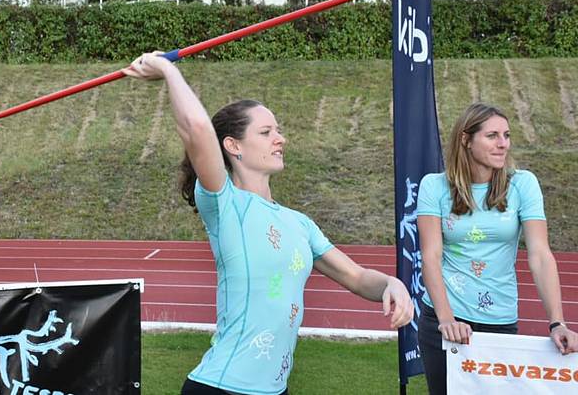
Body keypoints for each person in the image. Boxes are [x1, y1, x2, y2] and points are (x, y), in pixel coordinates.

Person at [123, 51, 413, 395]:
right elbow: (197, 129)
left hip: (275, 390)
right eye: (266, 131)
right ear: (233, 146)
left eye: (278, 130)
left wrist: (391, 284)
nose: (281, 138)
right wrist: (167, 70)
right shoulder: (225, 203)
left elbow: (356, 277)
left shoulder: (300, 224)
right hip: (221, 387)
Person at [417, 102, 578, 395]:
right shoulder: (434, 186)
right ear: (466, 140)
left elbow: (540, 255)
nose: (503, 144)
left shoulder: (523, 184)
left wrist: (558, 322)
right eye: (492, 136)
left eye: (506, 135)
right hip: (444, 320)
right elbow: (431, 256)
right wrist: (446, 319)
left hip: (500, 320)